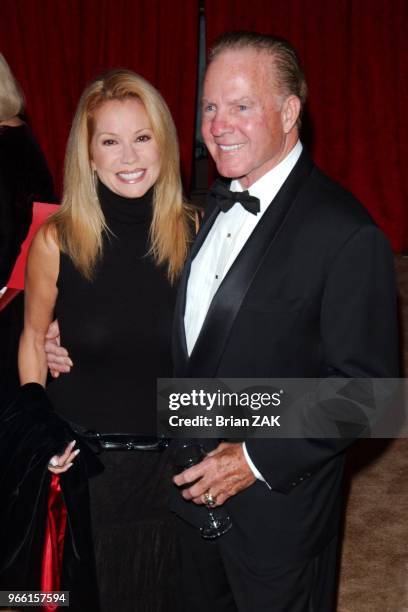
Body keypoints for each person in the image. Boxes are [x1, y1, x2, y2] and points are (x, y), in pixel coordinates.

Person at [45, 32, 399, 611]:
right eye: (210, 107)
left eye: (241, 105)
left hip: (274, 520)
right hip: (181, 503)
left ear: (290, 112)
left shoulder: (344, 234)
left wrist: (253, 456)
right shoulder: (204, 209)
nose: (219, 124)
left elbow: (371, 394)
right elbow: (184, 337)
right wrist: (67, 330)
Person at [18, 68, 193, 612]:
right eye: (110, 142)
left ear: (164, 144)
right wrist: (38, 427)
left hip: (178, 464)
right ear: (88, 156)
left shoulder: (199, 231)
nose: (129, 157)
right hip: (86, 466)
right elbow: (29, 335)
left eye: (143, 138)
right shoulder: (56, 239)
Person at [0, 53, 55, 403]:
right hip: (24, 293)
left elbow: (6, 236)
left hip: (10, 300)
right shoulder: (19, 134)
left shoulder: (4, 142)